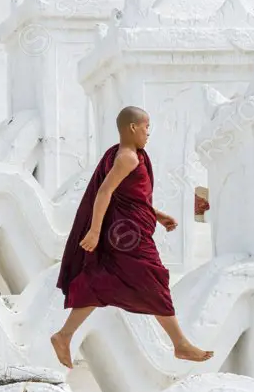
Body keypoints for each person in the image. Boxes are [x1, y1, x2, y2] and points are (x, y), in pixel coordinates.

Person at [50, 107, 213, 369]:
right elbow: (104, 193)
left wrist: (157, 215)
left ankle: (64, 335)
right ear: (132, 128)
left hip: (127, 231)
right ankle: (180, 343)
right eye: (146, 127)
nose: (149, 133)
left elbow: (129, 196)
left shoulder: (123, 155)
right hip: (128, 237)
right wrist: (93, 231)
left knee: (100, 282)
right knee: (154, 276)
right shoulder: (127, 158)